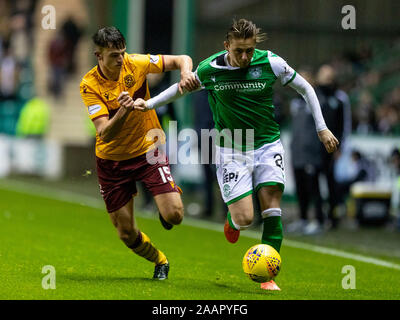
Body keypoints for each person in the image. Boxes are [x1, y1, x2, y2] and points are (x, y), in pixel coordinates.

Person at [134, 19, 339, 290]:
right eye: (239, 50)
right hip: (231, 148)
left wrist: (322, 128)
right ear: (226, 45)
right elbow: (178, 90)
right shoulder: (210, 69)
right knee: (245, 219)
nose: (245, 57)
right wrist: (147, 104)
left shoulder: (271, 62)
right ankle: (233, 218)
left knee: (272, 207)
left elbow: (306, 89)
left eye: (249, 51)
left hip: (267, 144)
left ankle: (267, 277)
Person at [79, 27, 197, 280]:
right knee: (126, 232)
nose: (121, 59)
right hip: (112, 161)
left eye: (122, 53)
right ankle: (160, 260)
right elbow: (105, 134)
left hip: (147, 150)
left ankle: (164, 207)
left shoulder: (136, 63)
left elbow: (181, 59)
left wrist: (185, 73)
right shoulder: (89, 85)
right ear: (98, 55)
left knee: (174, 215)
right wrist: (124, 110)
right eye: (114, 55)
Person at [288, 67, 325, 235]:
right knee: (300, 188)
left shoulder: (318, 101)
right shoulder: (295, 102)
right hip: (297, 153)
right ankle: (302, 219)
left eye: (305, 78)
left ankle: (318, 220)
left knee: (313, 188)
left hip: (311, 153)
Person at [315, 64, 351, 229]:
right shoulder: (315, 94)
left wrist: (341, 147)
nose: (326, 78)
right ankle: (318, 217)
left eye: (329, 75)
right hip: (315, 147)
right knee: (314, 182)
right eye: (324, 74)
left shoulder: (340, 97)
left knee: (332, 183)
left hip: (333, 147)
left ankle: (334, 216)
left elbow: (345, 124)